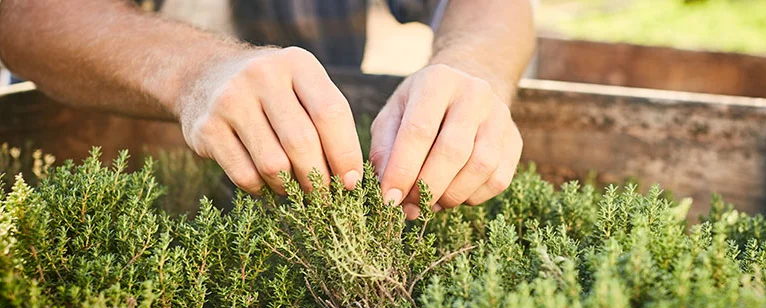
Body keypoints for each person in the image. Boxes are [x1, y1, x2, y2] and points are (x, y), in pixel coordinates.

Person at [0, 0, 534, 219]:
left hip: (310, 176)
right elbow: (21, 16)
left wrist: (475, 67)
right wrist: (192, 73)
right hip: (92, 151)